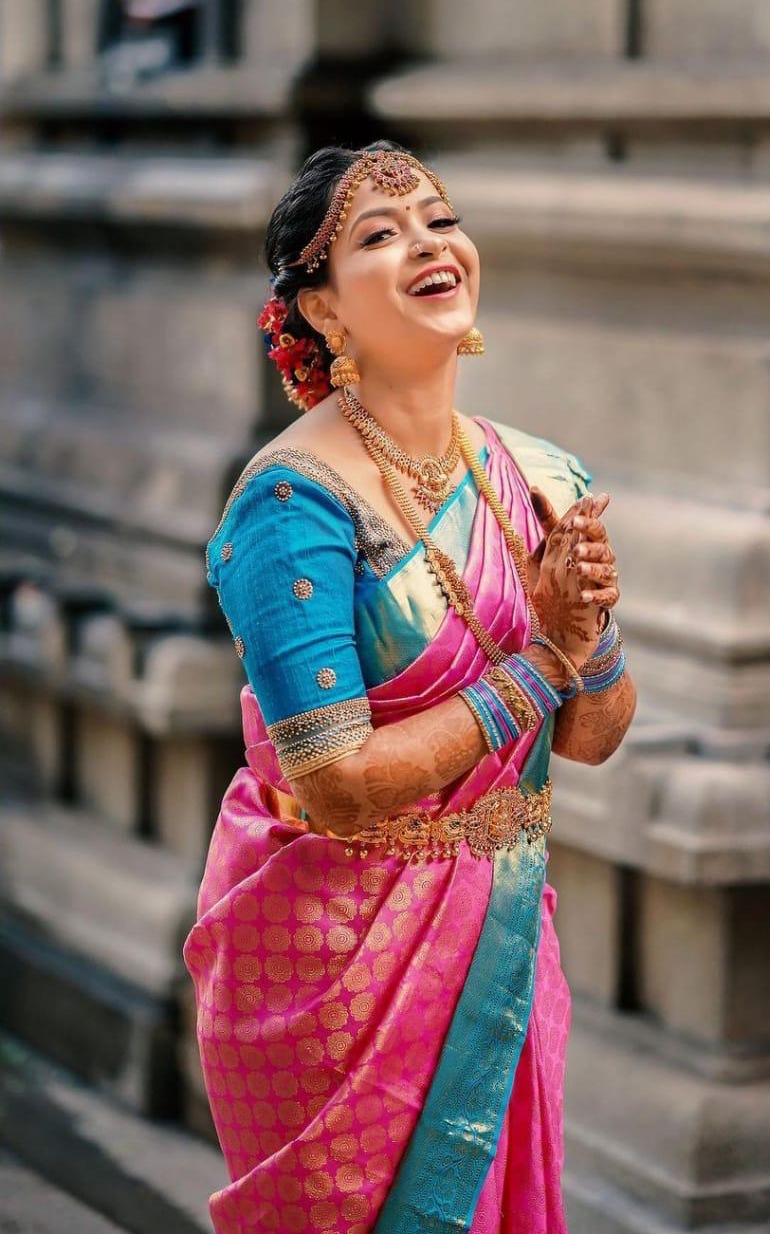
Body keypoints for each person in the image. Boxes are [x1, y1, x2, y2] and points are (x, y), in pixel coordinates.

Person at [182, 139, 636, 1233]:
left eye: (440, 218)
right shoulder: (293, 503)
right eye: (379, 235)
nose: (428, 243)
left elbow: (590, 734)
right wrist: (543, 659)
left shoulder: (539, 473)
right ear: (322, 310)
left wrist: (586, 635)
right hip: (333, 967)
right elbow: (337, 784)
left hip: (499, 934)